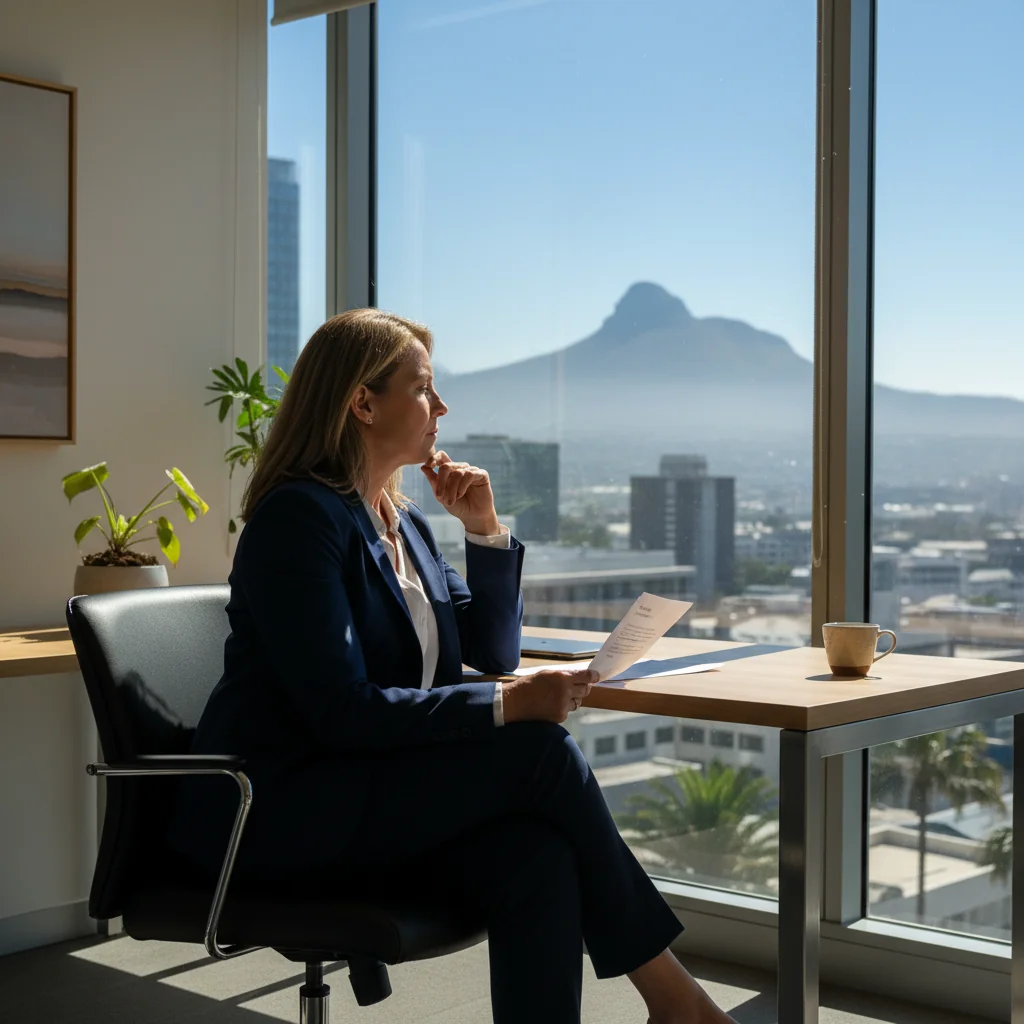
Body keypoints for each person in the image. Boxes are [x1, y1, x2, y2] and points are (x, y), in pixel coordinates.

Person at [170, 309, 735, 1024]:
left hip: (370, 796)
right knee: (542, 753)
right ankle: (675, 999)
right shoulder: (298, 522)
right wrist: (506, 708)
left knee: (539, 857)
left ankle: (668, 1004)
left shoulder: (399, 521)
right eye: (424, 389)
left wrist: (484, 531)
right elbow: (340, 711)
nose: (442, 408)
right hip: (289, 810)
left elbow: (492, 652)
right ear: (363, 402)